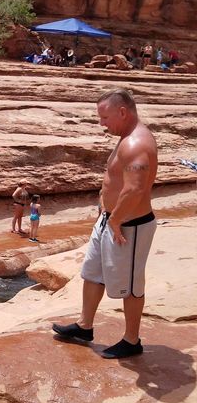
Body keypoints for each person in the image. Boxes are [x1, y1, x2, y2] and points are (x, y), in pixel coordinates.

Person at [53, 89, 158, 359]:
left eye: (105, 117)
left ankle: (132, 340)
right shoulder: (125, 137)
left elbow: (135, 189)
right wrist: (105, 207)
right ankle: (85, 326)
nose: (102, 123)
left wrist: (115, 220)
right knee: (93, 273)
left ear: (122, 112)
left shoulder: (137, 143)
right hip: (111, 221)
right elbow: (115, 180)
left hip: (128, 226)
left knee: (131, 286)